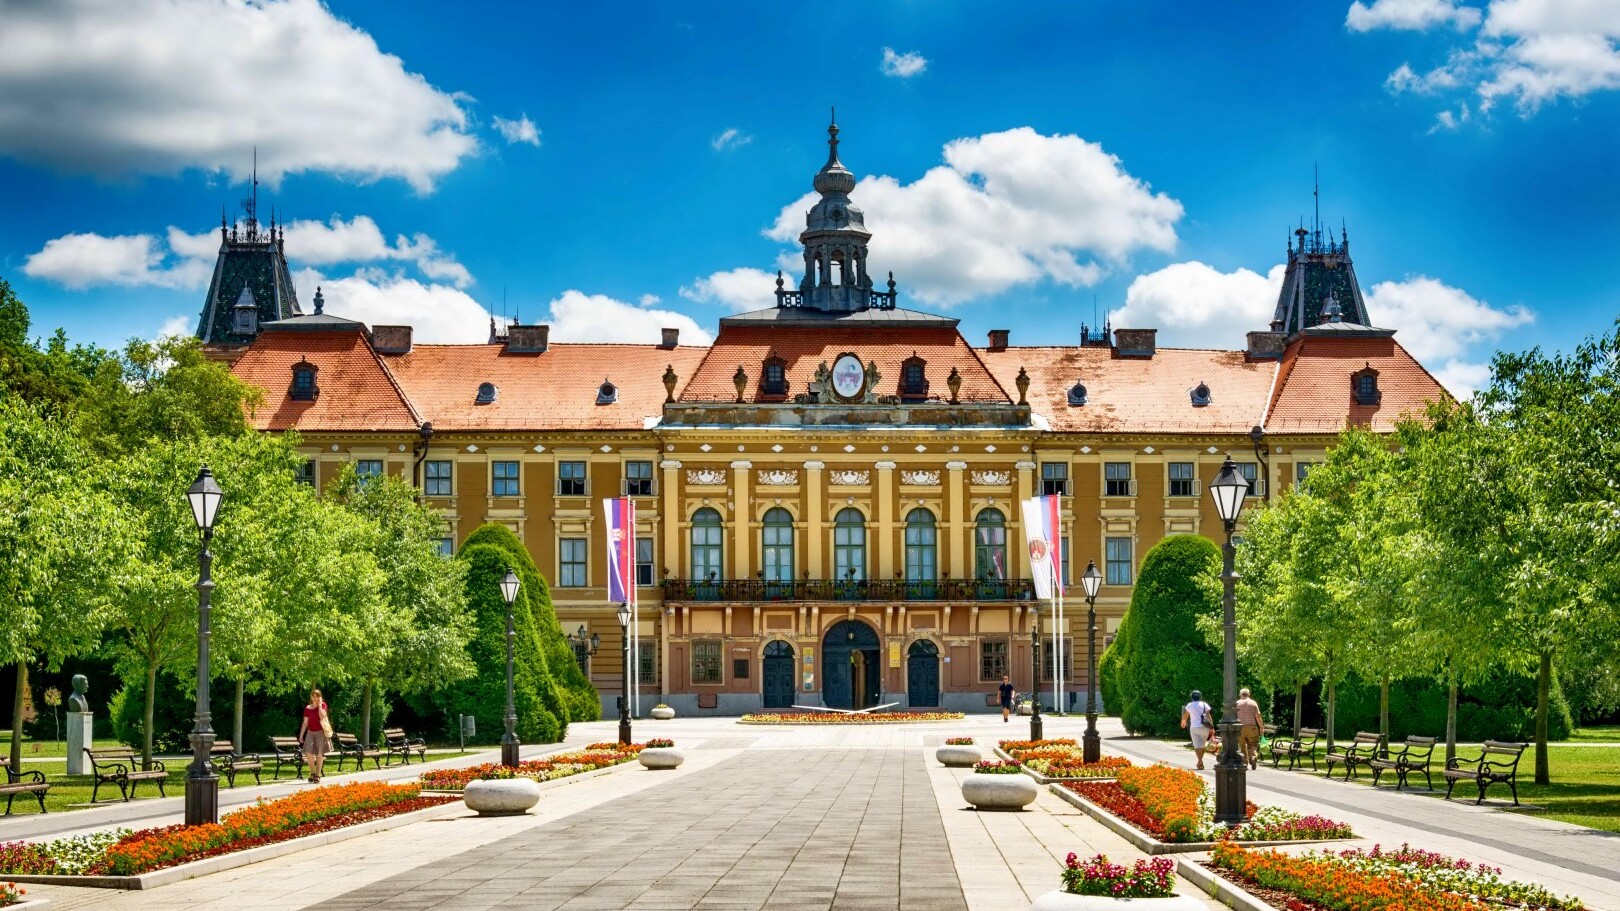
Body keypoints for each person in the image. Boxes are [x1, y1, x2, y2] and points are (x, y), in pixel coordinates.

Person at [297, 688, 332, 783]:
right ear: (311, 697)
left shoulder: (323, 705)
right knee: (308, 753)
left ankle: (317, 775)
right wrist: (301, 736)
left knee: (319, 754)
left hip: (320, 732)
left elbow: (322, 717)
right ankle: (312, 773)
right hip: (310, 732)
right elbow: (305, 723)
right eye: (314, 696)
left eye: (317, 697)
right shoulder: (307, 708)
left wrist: (320, 706)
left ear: (320, 697)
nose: (315, 698)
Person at [1180, 689, 1214, 770]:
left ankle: (1200, 761)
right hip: (1205, 727)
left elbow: (1185, 716)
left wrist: (1183, 722)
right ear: (1200, 696)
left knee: (1197, 746)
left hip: (1194, 727)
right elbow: (1209, 716)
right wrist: (1212, 728)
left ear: (1192, 697)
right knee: (1202, 746)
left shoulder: (1190, 705)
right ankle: (1200, 762)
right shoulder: (1205, 704)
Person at [1236, 687, 1264, 770]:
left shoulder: (1237, 703)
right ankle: (1253, 757)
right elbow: (1258, 716)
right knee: (1253, 744)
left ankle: (1244, 761)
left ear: (1240, 694)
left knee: (1242, 745)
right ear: (1249, 694)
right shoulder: (1253, 703)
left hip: (1240, 727)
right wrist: (1261, 727)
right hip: (1252, 728)